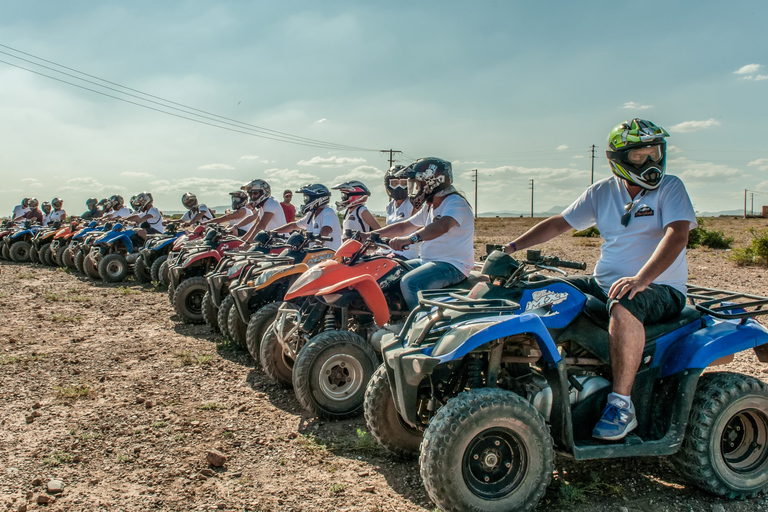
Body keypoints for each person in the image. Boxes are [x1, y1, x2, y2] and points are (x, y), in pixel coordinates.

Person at [503, 118, 696, 441]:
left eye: (655, 152)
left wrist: (641, 278)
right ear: (618, 160)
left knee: (623, 304)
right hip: (606, 283)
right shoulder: (603, 191)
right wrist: (511, 248)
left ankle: (621, 405)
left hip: (660, 288)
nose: (651, 162)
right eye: (639, 156)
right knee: (548, 290)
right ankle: (527, 374)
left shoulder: (670, 187)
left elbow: (677, 235)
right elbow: (559, 223)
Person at [369, 157, 475, 310]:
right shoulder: (430, 206)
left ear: (432, 182)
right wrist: (369, 235)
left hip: (453, 265)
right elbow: (403, 226)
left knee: (410, 283)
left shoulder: (455, 202)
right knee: (389, 270)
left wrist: (411, 239)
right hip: (427, 261)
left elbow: (442, 226)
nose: (413, 189)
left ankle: (423, 325)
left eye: (417, 184)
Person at [272, 184, 342, 251]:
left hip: (330, 256)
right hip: (315, 255)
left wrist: (317, 246)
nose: (305, 201)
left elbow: (326, 230)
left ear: (316, 199)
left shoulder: (328, 213)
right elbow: (293, 225)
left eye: (307, 198)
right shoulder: (311, 215)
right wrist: (272, 232)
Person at [384, 165, 420, 260]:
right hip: (392, 252)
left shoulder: (413, 204)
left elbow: (420, 229)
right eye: (394, 183)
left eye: (404, 183)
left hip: (408, 255)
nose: (399, 187)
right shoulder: (390, 206)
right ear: (388, 185)